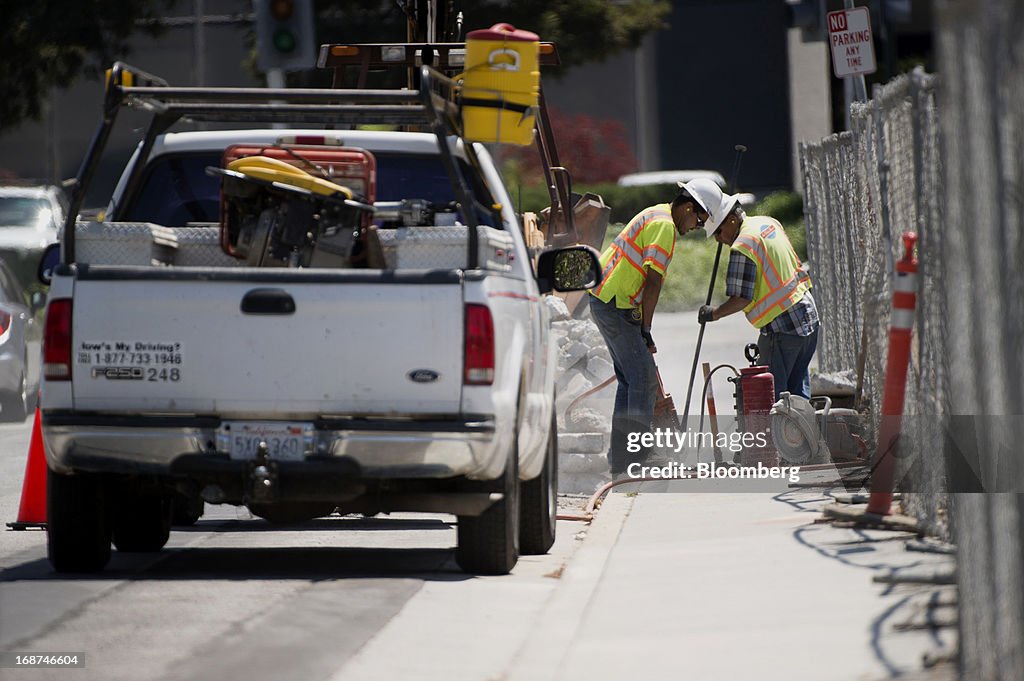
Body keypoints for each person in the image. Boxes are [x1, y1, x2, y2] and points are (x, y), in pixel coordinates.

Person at [588, 179, 724, 475]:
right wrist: (645, 328)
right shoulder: (664, 226)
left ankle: (621, 458)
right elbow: (653, 281)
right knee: (642, 379)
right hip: (613, 304)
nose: (696, 227)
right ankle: (638, 456)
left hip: (611, 302)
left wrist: (639, 324)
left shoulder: (657, 214)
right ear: (688, 207)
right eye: (699, 220)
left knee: (630, 380)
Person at [697, 193, 819, 400]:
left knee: (773, 400)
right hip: (808, 317)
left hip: (782, 328)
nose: (718, 238)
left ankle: (780, 434)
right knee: (798, 398)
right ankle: (806, 432)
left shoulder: (743, 245)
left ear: (732, 220)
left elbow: (741, 298)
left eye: (718, 231)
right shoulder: (767, 223)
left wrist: (714, 313)